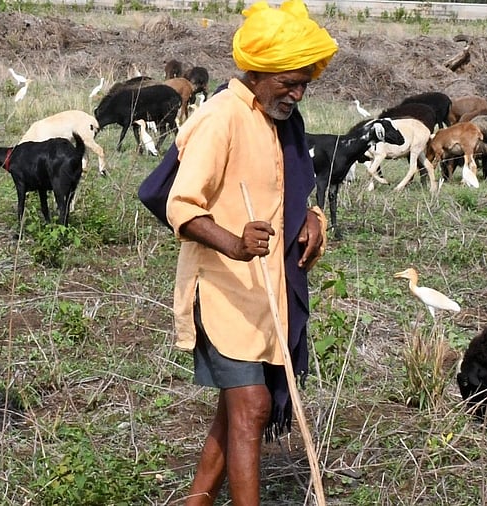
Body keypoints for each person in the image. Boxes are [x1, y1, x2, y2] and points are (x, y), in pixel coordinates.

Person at [161, 1, 338, 503]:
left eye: (304, 84)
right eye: (289, 82)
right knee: (253, 406)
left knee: (235, 411)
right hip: (223, 291)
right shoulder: (221, 118)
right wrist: (235, 243)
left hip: (267, 292)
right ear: (257, 72)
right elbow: (181, 206)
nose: (297, 94)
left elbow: (290, 194)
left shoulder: (282, 121)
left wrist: (312, 219)